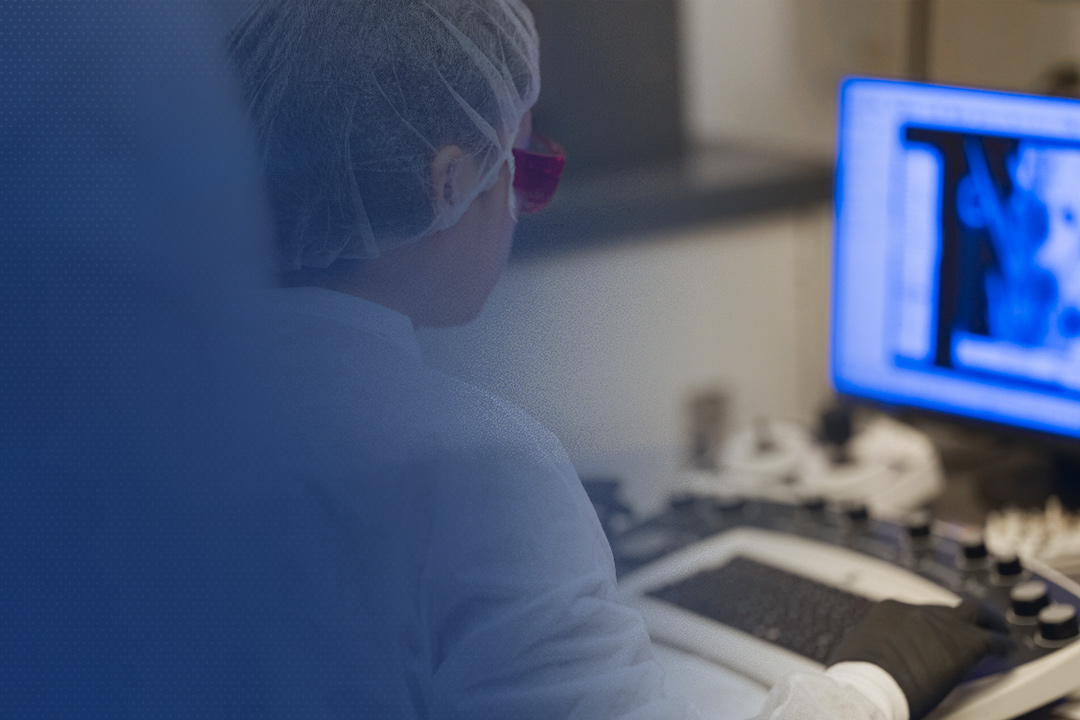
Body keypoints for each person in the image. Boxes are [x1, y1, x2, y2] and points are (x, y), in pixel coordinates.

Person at [225, 1, 1011, 718]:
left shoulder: (139, 394)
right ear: (449, 181)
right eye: (526, 168)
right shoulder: (465, 468)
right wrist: (871, 685)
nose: (524, 210)